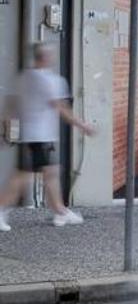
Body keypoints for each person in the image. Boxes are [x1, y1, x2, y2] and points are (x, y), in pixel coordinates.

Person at [1, 42, 94, 230]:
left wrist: (5, 131)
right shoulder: (50, 81)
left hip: (27, 135)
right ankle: (58, 212)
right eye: (50, 55)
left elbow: (10, 107)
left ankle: (60, 211)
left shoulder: (21, 78)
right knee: (24, 177)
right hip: (40, 137)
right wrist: (83, 125)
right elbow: (61, 108)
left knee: (47, 174)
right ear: (45, 57)